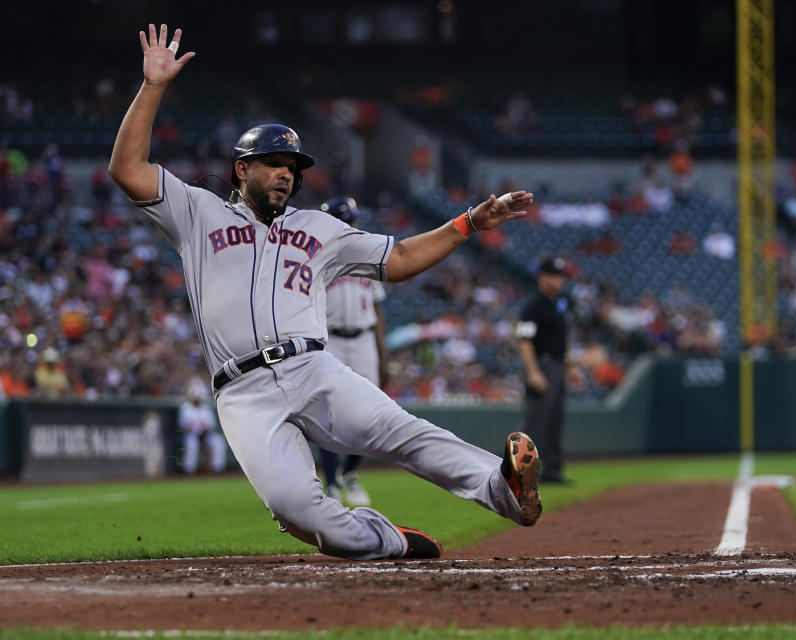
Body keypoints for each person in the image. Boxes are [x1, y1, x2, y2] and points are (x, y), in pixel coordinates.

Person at [107, 24, 541, 561]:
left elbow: (400, 258)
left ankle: (502, 489)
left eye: (292, 167)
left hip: (313, 368)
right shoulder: (198, 213)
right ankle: (387, 540)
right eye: (273, 164)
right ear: (242, 169)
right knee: (300, 512)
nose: (286, 174)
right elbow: (127, 169)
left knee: (403, 432)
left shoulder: (319, 229)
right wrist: (153, 86)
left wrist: (466, 224)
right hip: (242, 391)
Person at [315, 196, 388, 507]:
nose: (348, 226)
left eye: (351, 221)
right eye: (343, 221)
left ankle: (350, 472)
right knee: (326, 415)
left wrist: (384, 356)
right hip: (330, 339)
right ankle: (331, 483)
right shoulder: (317, 258)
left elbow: (377, 310)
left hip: (363, 341)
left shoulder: (368, 257)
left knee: (369, 414)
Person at [515, 257, 579, 484]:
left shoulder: (560, 304)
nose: (557, 281)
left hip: (558, 364)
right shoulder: (534, 305)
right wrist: (533, 371)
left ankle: (552, 471)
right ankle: (523, 473)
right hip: (542, 364)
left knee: (554, 420)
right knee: (537, 421)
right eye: (552, 275)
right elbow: (524, 340)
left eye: (560, 276)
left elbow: (563, 341)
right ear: (541, 277)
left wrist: (569, 367)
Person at [178, 377, 227, 475]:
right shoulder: (185, 407)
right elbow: (183, 427)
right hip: (191, 435)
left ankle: (217, 468)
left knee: (218, 441)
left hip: (205, 435)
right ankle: (189, 470)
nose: (197, 398)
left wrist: (203, 435)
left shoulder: (206, 408)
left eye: (199, 396)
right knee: (192, 443)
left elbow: (210, 427)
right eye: (195, 396)